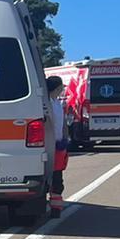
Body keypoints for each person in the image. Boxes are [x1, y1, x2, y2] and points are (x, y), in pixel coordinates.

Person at [47, 75, 68, 217]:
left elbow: (62, 122)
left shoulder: (57, 102)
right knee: (53, 178)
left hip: (59, 145)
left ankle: (56, 208)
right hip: (49, 145)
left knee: (57, 178)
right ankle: (53, 208)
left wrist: (66, 138)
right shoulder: (46, 103)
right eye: (61, 86)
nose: (62, 89)